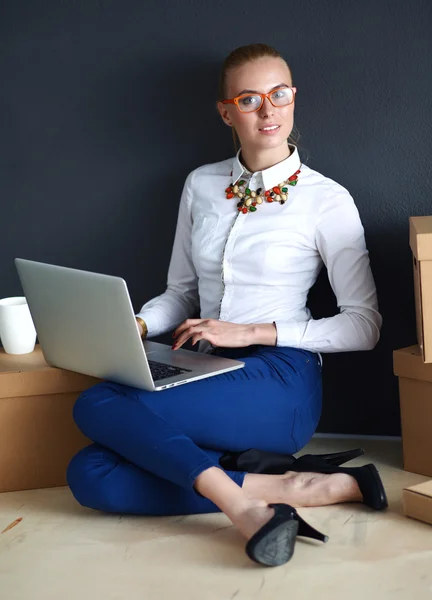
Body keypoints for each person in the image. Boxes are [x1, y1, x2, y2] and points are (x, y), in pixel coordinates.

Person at [67, 43, 384, 567]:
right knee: (89, 473)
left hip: (281, 380)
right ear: (226, 111)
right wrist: (138, 324)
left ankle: (243, 507)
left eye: (279, 94)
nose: (268, 109)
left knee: (96, 404)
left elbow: (364, 326)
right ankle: (297, 488)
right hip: (200, 366)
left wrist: (253, 332)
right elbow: (181, 293)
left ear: (293, 99)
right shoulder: (201, 184)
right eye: (249, 98)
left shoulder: (327, 199)